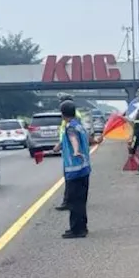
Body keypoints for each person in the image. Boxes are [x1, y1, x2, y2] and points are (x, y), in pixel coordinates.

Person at [59, 99, 91, 238]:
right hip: (85, 169)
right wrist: (55, 148)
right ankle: (82, 227)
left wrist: (76, 150)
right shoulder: (80, 126)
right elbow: (86, 139)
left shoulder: (70, 127)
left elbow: (73, 139)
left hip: (74, 170)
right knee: (81, 200)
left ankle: (76, 230)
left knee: (73, 201)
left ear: (62, 114)